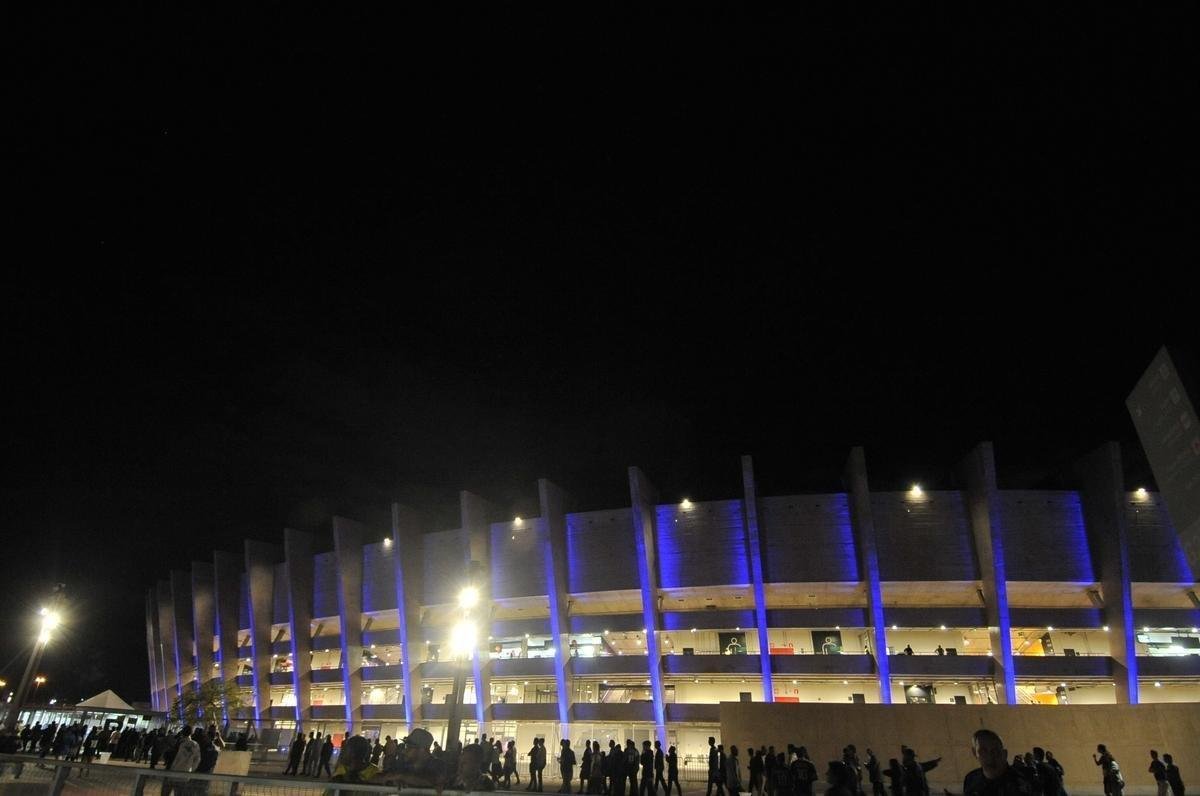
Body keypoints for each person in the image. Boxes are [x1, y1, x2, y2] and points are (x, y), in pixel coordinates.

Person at [963, 729, 1034, 796]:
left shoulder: (1020, 783)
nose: (990, 755)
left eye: (995, 750)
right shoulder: (971, 780)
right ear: (975, 753)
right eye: (983, 750)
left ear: (1004, 753)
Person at [163, 727, 200, 796]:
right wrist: (191, 770)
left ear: (182, 732)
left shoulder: (176, 742)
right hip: (184, 774)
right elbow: (197, 760)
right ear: (191, 733)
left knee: (165, 792)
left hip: (170, 772)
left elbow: (167, 754)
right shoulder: (194, 745)